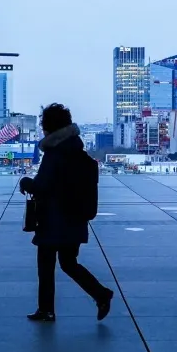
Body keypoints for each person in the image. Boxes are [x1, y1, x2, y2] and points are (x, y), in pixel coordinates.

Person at [19, 103, 114, 322]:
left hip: (53, 220)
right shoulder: (78, 152)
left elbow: (42, 185)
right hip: (75, 219)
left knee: (46, 265)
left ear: (49, 127)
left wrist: (26, 182)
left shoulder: (54, 154)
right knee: (69, 263)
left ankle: (46, 309)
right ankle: (100, 294)